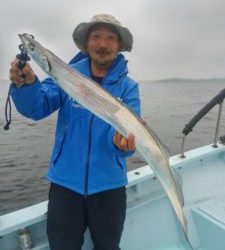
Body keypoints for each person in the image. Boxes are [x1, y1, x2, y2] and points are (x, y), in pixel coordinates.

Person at [9, 14, 141, 250]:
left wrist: (122, 145)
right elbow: (37, 107)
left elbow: (128, 139)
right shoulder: (65, 75)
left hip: (109, 187)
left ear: (119, 45)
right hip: (65, 186)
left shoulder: (128, 87)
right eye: (96, 36)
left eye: (110, 38)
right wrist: (26, 85)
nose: (103, 44)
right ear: (86, 43)